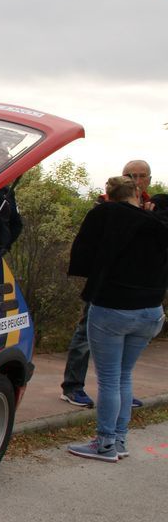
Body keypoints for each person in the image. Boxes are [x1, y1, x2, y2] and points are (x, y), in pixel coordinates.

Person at [65, 175, 168, 462]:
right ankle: (119, 440)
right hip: (151, 309)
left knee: (109, 379)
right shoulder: (156, 224)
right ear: (138, 193)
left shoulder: (104, 215)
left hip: (112, 307)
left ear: (107, 194)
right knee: (124, 376)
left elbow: (83, 254)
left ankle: (105, 443)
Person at [60, 159, 154, 408]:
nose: (135, 180)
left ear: (148, 180)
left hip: (133, 287)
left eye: (140, 175)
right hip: (104, 284)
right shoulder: (106, 204)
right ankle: (72, 386)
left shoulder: (150, 206)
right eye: (130, 175)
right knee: (85, 333)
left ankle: (122, 390)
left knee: (126, 342)